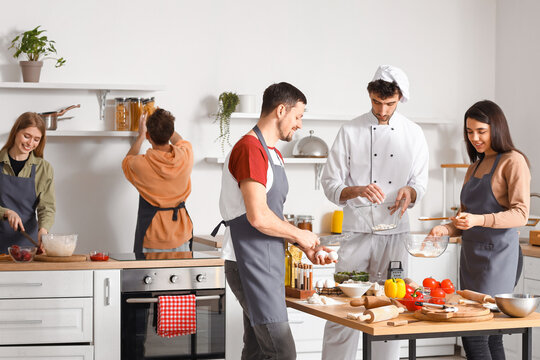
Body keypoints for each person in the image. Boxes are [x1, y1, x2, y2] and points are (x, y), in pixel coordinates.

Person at [213, 82, 335, 360]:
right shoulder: (250, 149)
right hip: (249, 260)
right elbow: (258, 216)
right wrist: (301, 235)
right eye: (298, 116)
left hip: (265, 259)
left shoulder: (273, 154)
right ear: (281, 110)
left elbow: (273, 216)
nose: (300, 124)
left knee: (257, 349)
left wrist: (306, 245)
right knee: (282, 352)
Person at [320, 65, 429, 360]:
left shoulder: (414, 134)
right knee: (343, 308)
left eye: (389, 104)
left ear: (400, 99)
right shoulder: (350, 130)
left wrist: (411, 192)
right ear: (369, 96)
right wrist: (356, 190)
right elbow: (329, 184)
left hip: (395, 235)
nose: (382, 110)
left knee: (390, 308)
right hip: (356, 235)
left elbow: (420, 182)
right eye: (375, 102)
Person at [429, 100, 530, 359]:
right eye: (469, 131)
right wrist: (446, 228)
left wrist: (477, 220)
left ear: (496, 128)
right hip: (472, 258)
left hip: (499, 258)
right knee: (490, 335)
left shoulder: (513, 161)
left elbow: (521, 214)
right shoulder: (474, 166)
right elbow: (465, 219)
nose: (474, 138)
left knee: (474, 333)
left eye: (480, 131)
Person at [122, 108, 193, 253]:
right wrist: (165, 125)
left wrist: (141, 136)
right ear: (170, 131)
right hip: (182, 234)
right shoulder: (186, 155)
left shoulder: (140, 165)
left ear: (149, 135)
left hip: (153, 238)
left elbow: (127, 160)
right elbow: (179, 140)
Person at [0, 112, 55, 253]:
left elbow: (47, 207)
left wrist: (43, 231)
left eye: (36, 139)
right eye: (27, 136)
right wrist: (6, 212)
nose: (30, 143)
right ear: (16, 132)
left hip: (26, 246)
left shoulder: (44, 168)